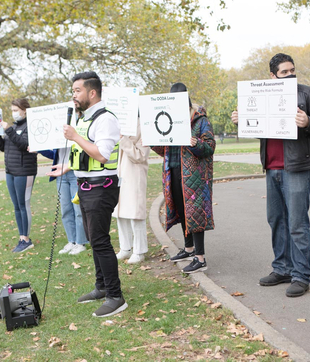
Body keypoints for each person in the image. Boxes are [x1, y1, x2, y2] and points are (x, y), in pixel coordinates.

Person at [231, 53, 310, 297]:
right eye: (284, 72)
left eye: (292, 70)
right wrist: (242, 121)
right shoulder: (263, 94)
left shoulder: (307, 94)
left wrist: (307, 122)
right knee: (276, 220)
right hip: (272, 167)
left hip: (296, 167)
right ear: (272, 75)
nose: (290, 75)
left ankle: (301, 275)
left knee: (297, 222)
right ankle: (282, 268)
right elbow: (261, 126)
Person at [48, 71, 126, 317]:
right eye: (73, 91)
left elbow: (101, 154)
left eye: (77, 90)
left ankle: (116, 296)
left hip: (101, 188)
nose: (74, 95)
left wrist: (75, 136)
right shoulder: (84, 119)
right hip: (86, 186)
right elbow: (84, 154)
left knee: (101, 241)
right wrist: (67, 167)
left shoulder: (105, 119)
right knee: (94, 239)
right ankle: (101, 287)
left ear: (92, 93)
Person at [151, 82, 216, 274]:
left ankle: (200, 258)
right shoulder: (167, 118)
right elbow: (164, 150)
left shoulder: (200, 120)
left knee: (194, 213)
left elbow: (210, 146)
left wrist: (195, 143)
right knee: (181, 211)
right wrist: (153, 142)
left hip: (194, 175)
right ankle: (188, 250)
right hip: (173, 172)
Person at [0, 98, 38, 253]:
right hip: (10, 171)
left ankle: (26, 239)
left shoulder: (31, 125)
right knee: (17, 206)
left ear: (24, 110)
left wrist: (8, 129)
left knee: (24, 204)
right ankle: (21, 236)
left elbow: (24, 145)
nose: (14, 113)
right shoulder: (15, 126)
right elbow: (5, 147)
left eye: (16, 110)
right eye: (12, 110)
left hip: (25, 171)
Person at [113, 120, 151, 264]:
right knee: (120, 211)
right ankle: (125, 247)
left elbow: (140, 155)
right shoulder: (118, 122)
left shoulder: (143, 126)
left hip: (135, 173)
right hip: (120, 172)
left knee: (135, 212)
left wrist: (123, 139)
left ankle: (139, 250)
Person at [40, 147, 89, 255]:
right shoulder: (57, 134)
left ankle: (80, 243)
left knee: (78, 210)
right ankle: (71, 241)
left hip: (75, 172)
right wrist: (39, 148)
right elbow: (52, 154)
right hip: (60, 174)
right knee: (65, 209)